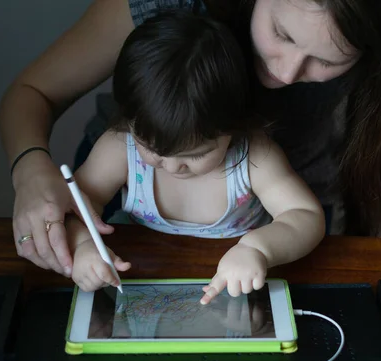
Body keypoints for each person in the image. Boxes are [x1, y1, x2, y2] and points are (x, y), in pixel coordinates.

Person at [0, 0, 381, 361]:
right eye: (281, 34)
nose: (286, 73)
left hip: (272, 235)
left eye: (328, 60)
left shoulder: (260, 153)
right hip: (133, 244)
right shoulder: (123, 147)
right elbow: (31, 92)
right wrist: (34, 177)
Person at [66, 10, 325, 304]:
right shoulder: (117, 148)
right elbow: (72, 209)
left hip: (236, 286)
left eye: (197, 153)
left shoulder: (255, 155)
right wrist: (83, 245)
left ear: (234, 128)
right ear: (129, 123)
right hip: (145, 282)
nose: (174, 166)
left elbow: (306, 216)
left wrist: (259, 249)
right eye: (153, 150)